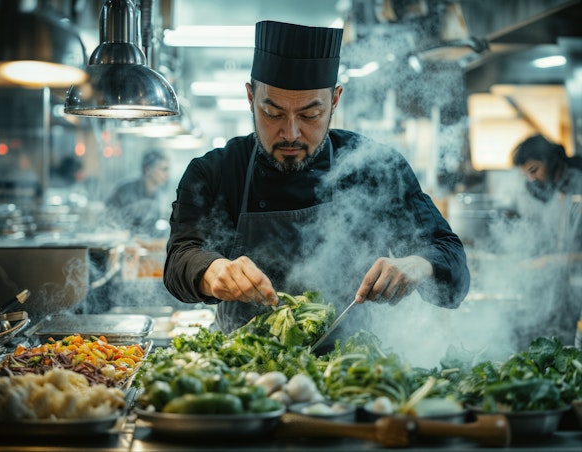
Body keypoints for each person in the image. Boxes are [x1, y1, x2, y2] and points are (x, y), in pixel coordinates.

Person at [164, 21, 470, 343]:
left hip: (352, 372)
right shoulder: (215, 171)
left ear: (334, 101)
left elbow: (451, 262)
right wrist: (212, 271)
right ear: (251, 97)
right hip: (240, 372)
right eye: (273, 113)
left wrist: (420, 264)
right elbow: (179, 259)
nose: (291, 133)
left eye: (310, 115)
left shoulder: (377, 168)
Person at [511, 134, 582, 345]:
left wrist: (550, 261)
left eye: (534, 170)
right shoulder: (549, 194)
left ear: (552, 161)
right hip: (557, 295)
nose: (532, 179)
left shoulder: (579, 188)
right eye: (527, 174)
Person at [105, 150, 170, 236]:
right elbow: (108, 216)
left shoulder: (160, 194)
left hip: (144, 245)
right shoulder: (124, 190)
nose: (167, 175)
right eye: (163, 169)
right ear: (148, 169)